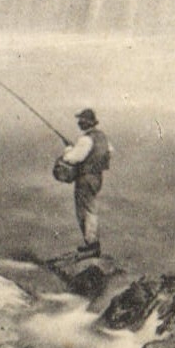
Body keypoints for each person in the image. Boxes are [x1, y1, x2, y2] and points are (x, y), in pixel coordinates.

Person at [59, 107, 111, 256]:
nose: (79, 123)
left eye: (81, 120)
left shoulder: (85, 139)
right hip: (97, 177)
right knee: (91, 209)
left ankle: (91, 244)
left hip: (85, 178)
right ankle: (92, 243)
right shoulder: (102, 137)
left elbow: (72, 158)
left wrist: (68, 150)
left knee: (84, 211)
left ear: (87, 122)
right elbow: (108, 152)